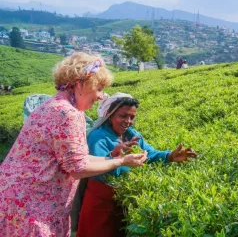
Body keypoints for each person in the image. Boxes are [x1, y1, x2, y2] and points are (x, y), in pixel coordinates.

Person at [0, 53, 147, 237]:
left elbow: (73, 157)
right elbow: (77, 167)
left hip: (21, 202)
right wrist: (121, 161)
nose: (101, 96)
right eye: (99, 88)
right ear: (80, 83)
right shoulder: (67, 113)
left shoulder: (55, 105)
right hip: (32, 207)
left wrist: (111, 157)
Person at [77, 92, 198, 237]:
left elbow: (149, 154)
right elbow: (98, 171)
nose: (128, 121)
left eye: (132, 117)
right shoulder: (98, 137)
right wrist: (115, 157)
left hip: (122, 201)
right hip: (100, 202)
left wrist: (170, 156)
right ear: (110, 114)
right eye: (123, 116)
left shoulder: (130, 133)